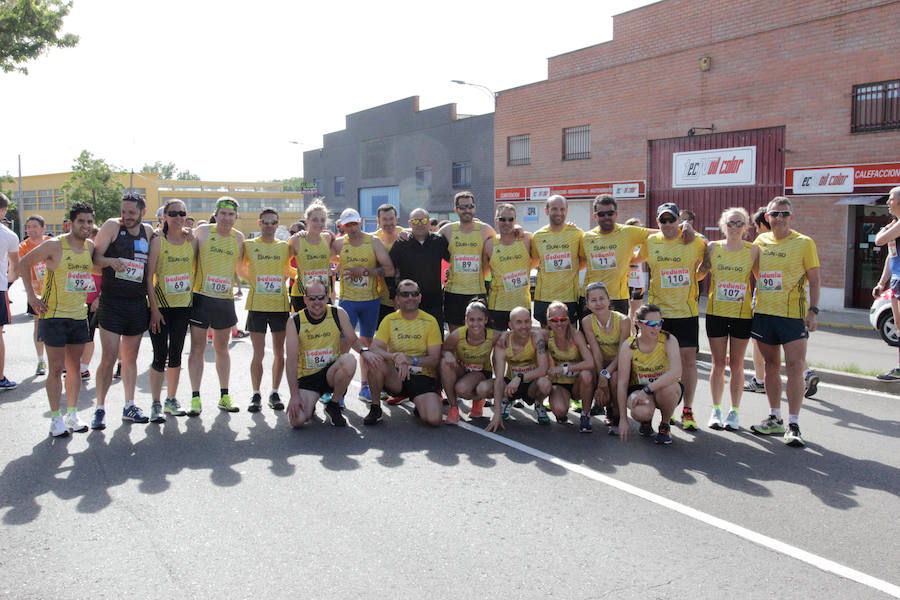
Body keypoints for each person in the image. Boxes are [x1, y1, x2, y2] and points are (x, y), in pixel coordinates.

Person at [749, 197, 820, 447]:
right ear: (767, 217)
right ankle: (775, 417)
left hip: (792, 316)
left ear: (791, 217)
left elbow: (815, 280)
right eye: (775, 214)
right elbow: (755, 272)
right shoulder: (760, 242)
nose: (780, 218)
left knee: (795, 367)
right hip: (764, 314)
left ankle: (794, 423)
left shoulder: (804, 243)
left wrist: (813, 311)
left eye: (785, 214)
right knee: (770, 366)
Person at [21, 202, 96, 436]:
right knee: (55, 368)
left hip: (78, 315)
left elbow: (97, 269)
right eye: (81, 221)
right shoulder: (55, 244)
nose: (85, 226)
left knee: (74, 368)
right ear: (71, 223)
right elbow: (24, 263)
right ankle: (56, 419)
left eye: (89, 221)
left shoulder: (90, 247)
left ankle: (72, 414)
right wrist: (31, 296)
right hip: (53, 315)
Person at [635, 202, 706, 431]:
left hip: (686, 312)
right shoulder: (651, 241)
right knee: (660, 362)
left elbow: (710, 254)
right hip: (659, 314)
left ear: (678, 220)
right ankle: (666, 409)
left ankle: (688, 409)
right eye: (663, 220)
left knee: (688, 362)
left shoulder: (693, 240)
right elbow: (633, 257)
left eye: (671, 219)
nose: (667, 224)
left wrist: (699, 275)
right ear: (657, 222)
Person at [89, 192, 154, 429]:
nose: (126, 216)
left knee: (130, 358)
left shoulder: (148, 232)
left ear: (142, 212)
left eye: (132, 213)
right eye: (124, 211)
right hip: (112, 302)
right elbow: (95, 257)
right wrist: (110, 261)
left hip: (137, 302)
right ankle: (100, 408)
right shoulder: (112, 226)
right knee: (109, 356)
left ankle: (129, 405)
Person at [698, 207, 757, 431]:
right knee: (718, 363)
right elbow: (699, 274)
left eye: (739, 223)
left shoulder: (753, 250)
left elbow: (761, 279)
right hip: (717, 312)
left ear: (746, 226)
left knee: (737, 364)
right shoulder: (713, 247)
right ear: (724, 226)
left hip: (742, 315)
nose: (735, 227)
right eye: (731, 223)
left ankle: (734, 411)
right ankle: (716, 410)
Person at [187, 196, 245, 415]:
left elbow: (242, 269)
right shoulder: (202, 232)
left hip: (224, 301)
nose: (227, 218)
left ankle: (224, 396)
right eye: (223, 214)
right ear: (216, 214)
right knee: (197, 348)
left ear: (236, 217)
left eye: (231, 214)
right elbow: (189, 260)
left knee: (222, 349)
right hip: (201, 297)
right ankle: (195, 398)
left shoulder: (238, 238)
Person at [333, 207, 395, 404]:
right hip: (348, 301)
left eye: (354, 223)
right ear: (342, 226)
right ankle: (339, 392)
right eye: (348, 225)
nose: (352, 228)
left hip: (370, 301)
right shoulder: (339, 243)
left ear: (360, 221)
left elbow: (389, 269)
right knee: (343, 344)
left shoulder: (373, 241)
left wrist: (365, 272)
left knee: (367, 344)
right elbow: (318, 249)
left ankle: (365, 387)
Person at [285, 277, 365, 428]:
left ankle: (333, 405)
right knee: (297, 421)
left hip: (331, 373)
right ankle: (310, 404)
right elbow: (291, 360)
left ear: (327, 297)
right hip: (308, 378)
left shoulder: (337, 313)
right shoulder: (295, 321)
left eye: (321, 297)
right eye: (312, 298)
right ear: (305, 300)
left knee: (349, 360)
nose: (317, 302)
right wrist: (294, 395)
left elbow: (354, 340)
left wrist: (365, 352)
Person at [364, 279, 443, 426]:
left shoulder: (430, 321)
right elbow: (374, 347)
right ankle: (375, 408)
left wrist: (410, 360)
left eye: (414, 294)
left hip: (422, 377)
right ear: (397, 299)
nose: (410, 297)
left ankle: (419, 403)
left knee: (434, 420)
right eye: (405, 294)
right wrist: (395, 357)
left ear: (419, 297)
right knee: (374, 359)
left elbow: (434, 359)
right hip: (396, 377)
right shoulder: (389, 320)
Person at [240, 207, 292, 412]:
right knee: (258, 353)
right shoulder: (249, 245)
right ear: (259, 223)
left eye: (273, 222)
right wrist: (253, 282)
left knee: (280, 352)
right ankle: (256, 394)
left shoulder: (284, 247)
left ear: (278, 224)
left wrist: (294, 276)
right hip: (257, 306)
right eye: (265, 222)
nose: (269, 225)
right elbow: (239, 268)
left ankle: (274, 392)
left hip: (279, 305)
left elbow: (288, 269)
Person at [147, 198, 194, 421]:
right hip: (161, 307)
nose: (178, 217)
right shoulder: (158, 241)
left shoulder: (190, 240)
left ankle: (171, 399)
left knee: (176, 354)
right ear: (164, 216)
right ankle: (155, 403)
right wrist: (154, 309)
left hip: (183, 306)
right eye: (173, 213)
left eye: (181, 213)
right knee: (160, 355)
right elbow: (149, 277)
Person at [616, 304, 683, 444]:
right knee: (641, 412)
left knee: (669, 389)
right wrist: (623, 419)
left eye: (659, 323)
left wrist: (648, 389)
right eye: (651, 324)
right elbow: (622, 383)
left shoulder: (669, 339)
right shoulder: (629, 346)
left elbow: (676, 372)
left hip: (662, 388)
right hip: (638, 388)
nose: (657, 328)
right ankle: (645, 421)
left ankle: (665, 424)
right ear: (639, 323)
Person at [580, 194, 652, 316]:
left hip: (617, 298)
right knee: (588, 329)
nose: (606, 217)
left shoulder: (627, 232)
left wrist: (637, 258)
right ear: (595, 216)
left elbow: (659, 235)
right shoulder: (586, 237)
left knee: (619, 329)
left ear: (616, 214)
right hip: (590, 298)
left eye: (610, 213)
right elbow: (581, 263)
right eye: (601, 214)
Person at [485, 306, 551, 432]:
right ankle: (506, 401)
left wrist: (520, 378)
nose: (524, 326)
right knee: (484, 388)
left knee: (546, 383)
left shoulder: (537, 338)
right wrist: (496, 414)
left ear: (531, 323)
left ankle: (539, 403)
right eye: (519, 322)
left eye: (527, 321)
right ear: (510, 325)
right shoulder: (503, 342)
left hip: (531, 384)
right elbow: (499, 379)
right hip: (510, 386)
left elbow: (543, 369)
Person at [439, 191, 496, 330]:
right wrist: (405, 233)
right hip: (453, 292)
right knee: (455, 335)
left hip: (477, 291)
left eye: (470, 206)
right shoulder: (447, 230)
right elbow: (427, 240)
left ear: (474, 208)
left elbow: (502, 244)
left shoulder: (485, 230)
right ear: (456, 210)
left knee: (478, 334)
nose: (467, 210)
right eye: (462, 207)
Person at [581, 281, 631, 434]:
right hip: (602, 363)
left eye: (602, 298)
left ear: (609, 300)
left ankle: (616, 414)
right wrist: (601, 375)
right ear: (587, 305)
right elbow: (596, 352)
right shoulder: (587, 321)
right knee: (588, 375)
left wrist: (606, 374)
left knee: (614, 378)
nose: (598, 303)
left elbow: (622, 353)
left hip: (620, 362)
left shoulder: (624, 320)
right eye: (593, 300)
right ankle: (588, 413)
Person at [389, 207, 449, 326]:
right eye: (416, 221)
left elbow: (453, 260)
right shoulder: (402, 243)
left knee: (435, 335)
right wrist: (394, 295)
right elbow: (389, 269)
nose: (420, 224)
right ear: (410, 223)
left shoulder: (438, 241)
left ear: (429, 222)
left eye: (423, 220)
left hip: (434, 301)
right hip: (409, 299)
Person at [439, 300, 496, 424]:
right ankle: (454, 408)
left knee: (462, 389)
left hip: (481, 374)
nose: (475, 324)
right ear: (466, 320)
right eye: (472, 320)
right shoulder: (457, 334)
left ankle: (479, 400)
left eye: (479, 320)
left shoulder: (493, 335)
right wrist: (448, 355)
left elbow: (512, 338)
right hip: (463, 371)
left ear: (486, 320)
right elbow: (444, 349)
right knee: (444, 363)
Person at [532, 195, 584, 325]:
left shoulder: (577, 234)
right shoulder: (538, 236)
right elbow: (535, 261)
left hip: (569, 296)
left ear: (567, 211)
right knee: (545, 334)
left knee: (570, 333)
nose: (559, 212)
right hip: (544, 297)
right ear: (547, 211)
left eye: (562, 209)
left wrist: (568, 272)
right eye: (554, 209)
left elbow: (583, 260)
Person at [483, 203, 535, 332]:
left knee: (522, 342)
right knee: (498, 341)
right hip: (497, 306)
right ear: (496, 220)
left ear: (515, 220)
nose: (507, 223)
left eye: (510, 219)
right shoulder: (489, 244)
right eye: (502, 219)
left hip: (522, 304)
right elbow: (484, 273)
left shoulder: (527, 239)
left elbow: (536, 262)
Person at [545, 301, 595, 431]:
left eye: (562, 319)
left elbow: (590, 362)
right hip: (560, 383)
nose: (559, 323)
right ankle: (558, 410)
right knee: (559, 411)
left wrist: (564, 368)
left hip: (578, 383)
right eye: (554, 320)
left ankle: (585, 415)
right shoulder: (546, 337)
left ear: (568, 320)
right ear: (548, 322)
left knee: (587, 374)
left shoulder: (576, 335)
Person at [871, 187, 900, 380]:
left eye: (891, 198)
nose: (888, 202)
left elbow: (879, 240)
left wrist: (884, 229)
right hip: (897, 278)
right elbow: (891, 254)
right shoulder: (895, 224)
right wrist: (882, 283)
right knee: (898, 324)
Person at [19, 214, 52, 377]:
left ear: (43, 228)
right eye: (28, 227)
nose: (31, 230)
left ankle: (59, 361)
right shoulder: (23, 246)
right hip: (36, 292)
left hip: (55, 290)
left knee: (57, 325)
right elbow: (20, 268)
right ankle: (41, 360)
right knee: (39, 325)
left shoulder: (52, 243)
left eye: (34, 226)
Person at [289, 199, 333, 312]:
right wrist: (298, 275)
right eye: (315, 220)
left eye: (322, 220)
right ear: (307, 221)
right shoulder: (297, 239)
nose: (319, 223)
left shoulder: (327, 238)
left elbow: (337, 257)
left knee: (327, 323)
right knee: (304, 324)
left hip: (323, 294)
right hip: (302, 294)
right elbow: (284, 265)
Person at [0, 194, 18, 391]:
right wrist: (7, 280)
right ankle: (0, 377)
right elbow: (15, 268)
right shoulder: (9, 235)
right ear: (3, 210)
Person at [373, 203, 400, 326]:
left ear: (396, 219)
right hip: (382, 300)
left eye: (391, 218)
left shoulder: (406, 235)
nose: (388, 222)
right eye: (384, 219)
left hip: (405, 299)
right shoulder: (372, 239)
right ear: (378, 221)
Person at [624, 217, 649, 318]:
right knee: (622, 312)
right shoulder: (623, 243)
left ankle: (633, 328)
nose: (639, 231)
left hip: (637, 282)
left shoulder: (643, 243)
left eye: (640, 229)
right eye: (636, 229)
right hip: (623, 282)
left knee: (635, 312)